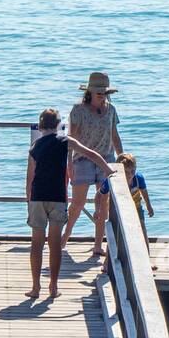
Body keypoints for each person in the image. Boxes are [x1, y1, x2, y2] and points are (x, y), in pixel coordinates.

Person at [26, 108, 112, 300]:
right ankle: (53, 287)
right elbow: (92, 154)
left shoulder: (34, 146)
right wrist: (107, 169)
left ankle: (35, 287)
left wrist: (28, 201)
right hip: (58, 197)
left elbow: (29, 178)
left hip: (37, 197)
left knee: (36, 244)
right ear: (58, 126)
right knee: (55, 245)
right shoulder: (66, 142)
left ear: (40, 127)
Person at [63, 72, 124, 256]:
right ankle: (66, 236)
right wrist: (69, 162)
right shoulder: (78, 110)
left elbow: (114, 135)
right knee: (78, 202)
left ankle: (98, 244)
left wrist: (122, 158)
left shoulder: (111, 109)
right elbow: (71, 137)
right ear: (89, 92)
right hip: (82, 159)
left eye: (104, 92)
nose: (101, 95)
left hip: (106, 159)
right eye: (98, 92)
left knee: (103, 203)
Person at [118, 153, 154, 233]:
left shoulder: (138, 178)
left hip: (136, 206)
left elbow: (144, 192)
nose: (130, 174)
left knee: (142, 228)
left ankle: (146, 246)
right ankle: (112, 246)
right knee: (118, 230)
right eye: (126, 172)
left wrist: (149, 206)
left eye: (132, 171)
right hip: (119, 208)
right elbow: (101, 195)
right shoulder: (116, 180)